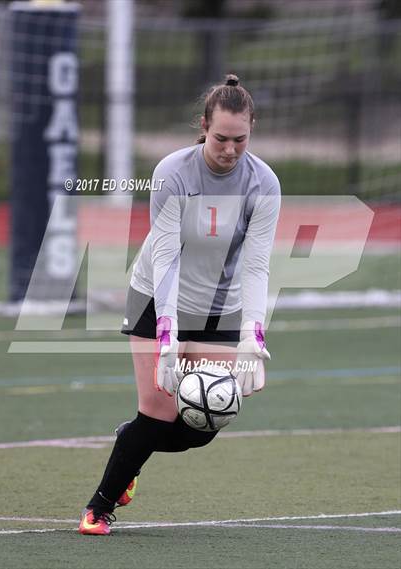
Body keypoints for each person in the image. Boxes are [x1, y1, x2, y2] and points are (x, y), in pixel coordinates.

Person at [79, 74, 281, 535]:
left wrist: (253, 334)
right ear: (203, 127)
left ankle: (128, 444)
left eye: (241, 140)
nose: (230, 150)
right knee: (158, 411)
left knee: (206, 419)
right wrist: (167, 335)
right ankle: (98, 507)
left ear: (252, 130)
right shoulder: (173, 172)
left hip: (219, 307)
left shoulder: (264, 183)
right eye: (220, 139)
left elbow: (256, 265)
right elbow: (166, 256)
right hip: (156, 295)